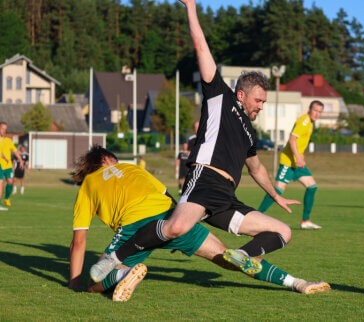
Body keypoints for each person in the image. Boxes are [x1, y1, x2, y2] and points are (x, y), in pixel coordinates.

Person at [89, 0, 300, 283]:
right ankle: (115, 259)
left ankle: (243, 255)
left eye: (264, 101)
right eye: (258, 100)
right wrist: (190, 6)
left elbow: (257, 168)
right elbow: (201, 47)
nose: (261, 106)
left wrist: (276, 195)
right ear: (241, 95)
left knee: (283, 232)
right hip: (205, 180)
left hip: (226, 197)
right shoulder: (220, 97)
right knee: (175, 228)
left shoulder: (250, 133)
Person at [69, 146, 330, 302]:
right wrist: (175, 229)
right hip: (172, 217)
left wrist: (73, 283)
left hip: (134, 226)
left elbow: (79, 241)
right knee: (230, 258)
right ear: (107, 159)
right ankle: (297, 283)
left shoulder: (88, 185)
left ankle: (124, 273)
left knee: (95, 282)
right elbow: (169, 198)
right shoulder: (133, 167)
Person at [258, 101, 324, 230]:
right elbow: (292, 139)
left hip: (297, 163)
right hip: (288, 162)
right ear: (309, 109)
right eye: (315, 110)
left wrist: (300, 157)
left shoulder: (310, 123)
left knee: (312, 187)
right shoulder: (304, 121)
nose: (317, 114)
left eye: (320, 111)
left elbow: (299, 143)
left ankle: (305, 221)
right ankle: (255, 216)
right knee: (277, 190)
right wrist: (298, 158)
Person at [0, 122, 24, 208]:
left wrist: (21, 160)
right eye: (3, 129)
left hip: (8, 166)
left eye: (6, 129)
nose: (4, 131)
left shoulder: (9, 141)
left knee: (10, 181)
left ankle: (6, 198)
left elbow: (15, 151)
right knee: (1, 183)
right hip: (0, 166)